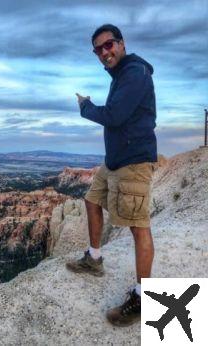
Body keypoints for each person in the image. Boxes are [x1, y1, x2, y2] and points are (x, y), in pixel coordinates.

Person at [66, 24, 157, 327]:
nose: (105, 52)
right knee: (91, 201)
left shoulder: (134, 73)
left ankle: (144, 298)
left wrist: (86, 107)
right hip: (115, 162)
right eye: (98, 49)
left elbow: (114, 116)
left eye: (109, 45)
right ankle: (94, 259)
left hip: (133, 164)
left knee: (138, 229)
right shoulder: (122, 75)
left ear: (121, 43)